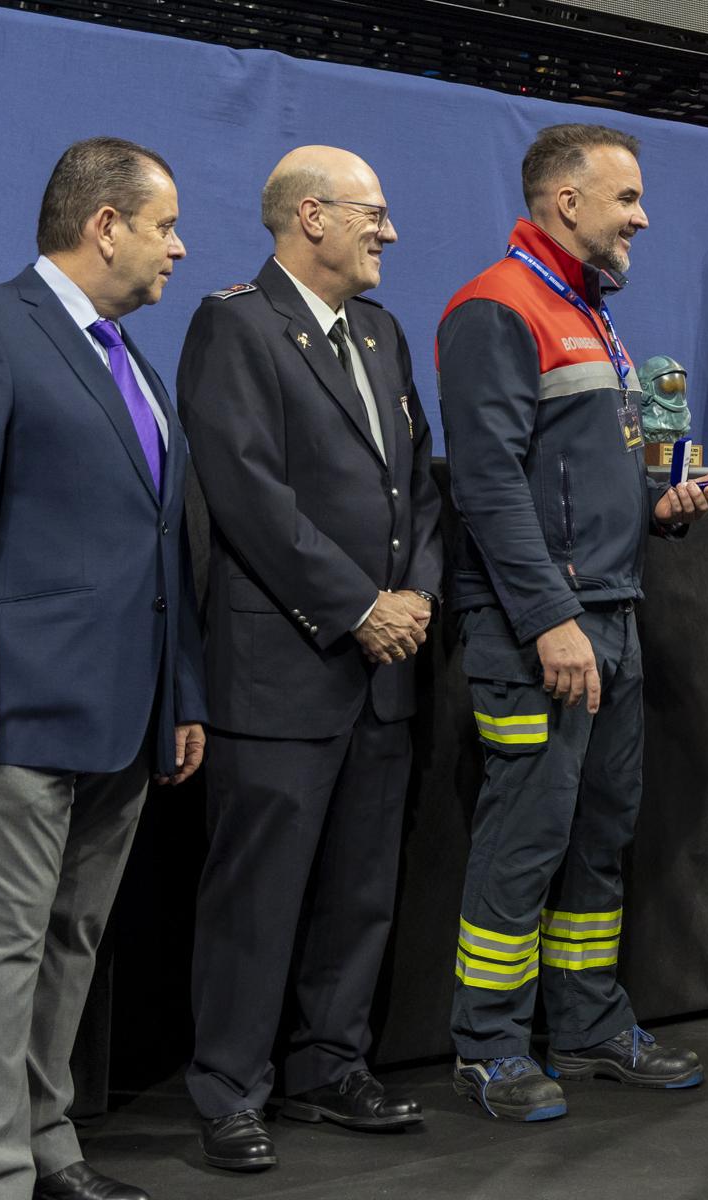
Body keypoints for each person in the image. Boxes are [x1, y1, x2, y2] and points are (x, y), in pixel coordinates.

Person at [0, 136, 203, 1200]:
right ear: (105, 224)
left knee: (68, 947)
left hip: (120, 718)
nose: (180, 247)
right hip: (8, 714)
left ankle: (46, 1150)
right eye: (165, 225)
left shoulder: (136, 364)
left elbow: (161, 549)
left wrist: (182, 698)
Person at [436, 122, 708, 1122]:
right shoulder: (495, 308)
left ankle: (589, 1024)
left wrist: (655, 510)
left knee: (600, 836)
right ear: (568, 203)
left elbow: (571, 479)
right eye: (628, 199)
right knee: (526, 838)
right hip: (538, 633)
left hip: (614, 616)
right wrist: (549, 616)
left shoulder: (591, 316)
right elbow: (485, 486)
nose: (644, 217)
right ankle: (487, 1046)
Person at [178, 146, 441, 1172]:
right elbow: (246, 494)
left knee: (360, 888)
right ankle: (229, 1090)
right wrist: (357, 606)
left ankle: (333, 1066)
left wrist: (413, 595)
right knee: (257, 894)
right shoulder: (234, 324)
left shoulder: (381, 331)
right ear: (312, 217)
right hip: (286, 667)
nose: (388, 233)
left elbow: (417, 486)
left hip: (386, 669)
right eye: (374, 214)